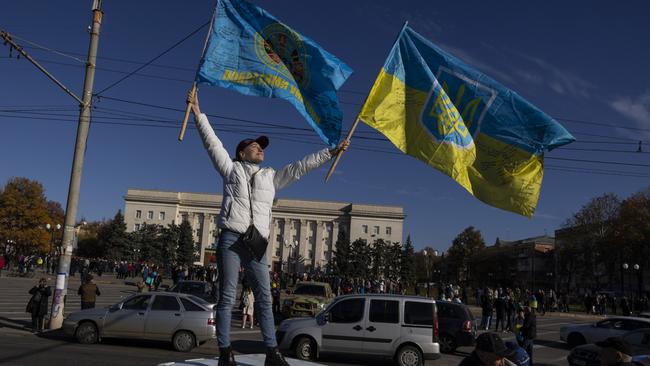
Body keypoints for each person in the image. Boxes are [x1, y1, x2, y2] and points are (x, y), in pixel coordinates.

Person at [187, 92, 349, 366]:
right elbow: (212, 144)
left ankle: (272, 353)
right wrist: (197, 112)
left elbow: (300, 167)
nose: (261, 149)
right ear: (242, 152)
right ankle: (225, 353)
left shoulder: (271, 177)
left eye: (262, 147)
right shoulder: (231, 170)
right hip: (231, 238)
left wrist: (330, 152)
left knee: (264, 296)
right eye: (255, 146)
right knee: (227, 295)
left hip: (257, 243)